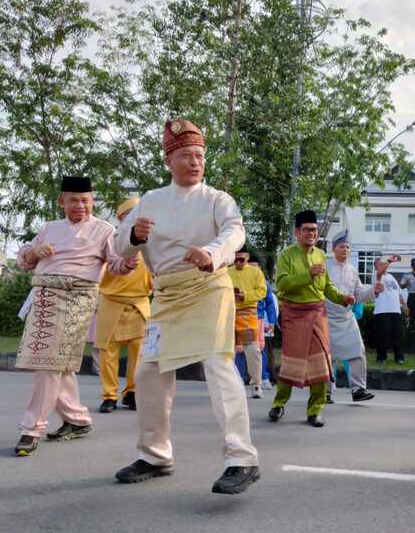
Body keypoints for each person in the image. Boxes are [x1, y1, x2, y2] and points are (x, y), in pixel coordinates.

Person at [113, 119, 259, 494]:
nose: (195, 163)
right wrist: (134, 235)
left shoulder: (217, 199)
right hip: (166, 296)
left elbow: (235, 232)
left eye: (199, 156)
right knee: (147, 372)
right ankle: (156, 454)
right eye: (186, 156)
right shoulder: (149, 200)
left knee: (218, 364)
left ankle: (241, 458)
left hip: (208, 288)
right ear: (169, 160)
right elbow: (119, 247)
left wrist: (211, 253)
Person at [13, 176, 138, 456]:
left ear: (92, 201)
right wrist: (35, 250)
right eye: (73, 200)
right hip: (44, 297)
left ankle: (31, 428)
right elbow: (24, 260)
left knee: (49, 363)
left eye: (85, 200)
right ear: (62, 202)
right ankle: (77, 420)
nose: (80, 205)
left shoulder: (104, 230)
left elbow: (115, 263)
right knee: (58, 365)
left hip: (78, 299)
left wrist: (127, 264)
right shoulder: (48, 228)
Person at [268, 210, 355, 427]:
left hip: (317, 313)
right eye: (307, 230)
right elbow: (283, 285)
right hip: (293, 314)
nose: (311, 233)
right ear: (297, 232)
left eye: (314, 230)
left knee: (321, 363)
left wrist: (342, 297)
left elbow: (326, 287)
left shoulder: (320, 255)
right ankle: (279, 404)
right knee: (291, 363)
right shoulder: (286, 255)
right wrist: (308, 274)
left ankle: (315, 410)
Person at [94, 197, 153, 413]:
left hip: (140, 303)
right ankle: (109, 395)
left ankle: (132, 392)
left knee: (139, 352)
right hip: (112, 301)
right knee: (108, 352)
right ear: (121, 218)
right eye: (131, 214)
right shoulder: (111, 239)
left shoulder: (150, 241)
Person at [325, 229, 379, 403]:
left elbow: (360, 295)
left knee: (358, 352)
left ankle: (358, 389)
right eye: (341, 246)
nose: (345, 249)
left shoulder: (353, 271)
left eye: (348, 246)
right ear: (333, 249)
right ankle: (325, 392)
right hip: (326, 318)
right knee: (327, 357)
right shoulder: (324, 266)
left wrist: (374, 291)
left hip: (346, 318)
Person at [228, 246, 268, 398]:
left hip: (248, 313)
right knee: (227, 351)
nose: (238, 262)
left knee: (253, 350)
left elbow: (262, 291)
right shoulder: (227, 272)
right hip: (229, 313)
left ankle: (257, 384)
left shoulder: (255, 272)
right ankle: (230, 384)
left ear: (247, 258)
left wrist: (245, 295)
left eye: (241, 260)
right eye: (235, 259)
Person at [373, 257, 407, 365]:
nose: (383, 265)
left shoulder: (391, 277)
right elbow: (381, 271)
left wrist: (404, 305)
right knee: (383, 335)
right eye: (380, 264)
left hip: (395, 310)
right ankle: (381, 357)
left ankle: (399, 357)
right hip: (382, 310)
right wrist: (389, 261)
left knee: (397, 335)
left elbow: (398, 292)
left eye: (384, 263)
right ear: (376, 266)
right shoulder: (377, 276)